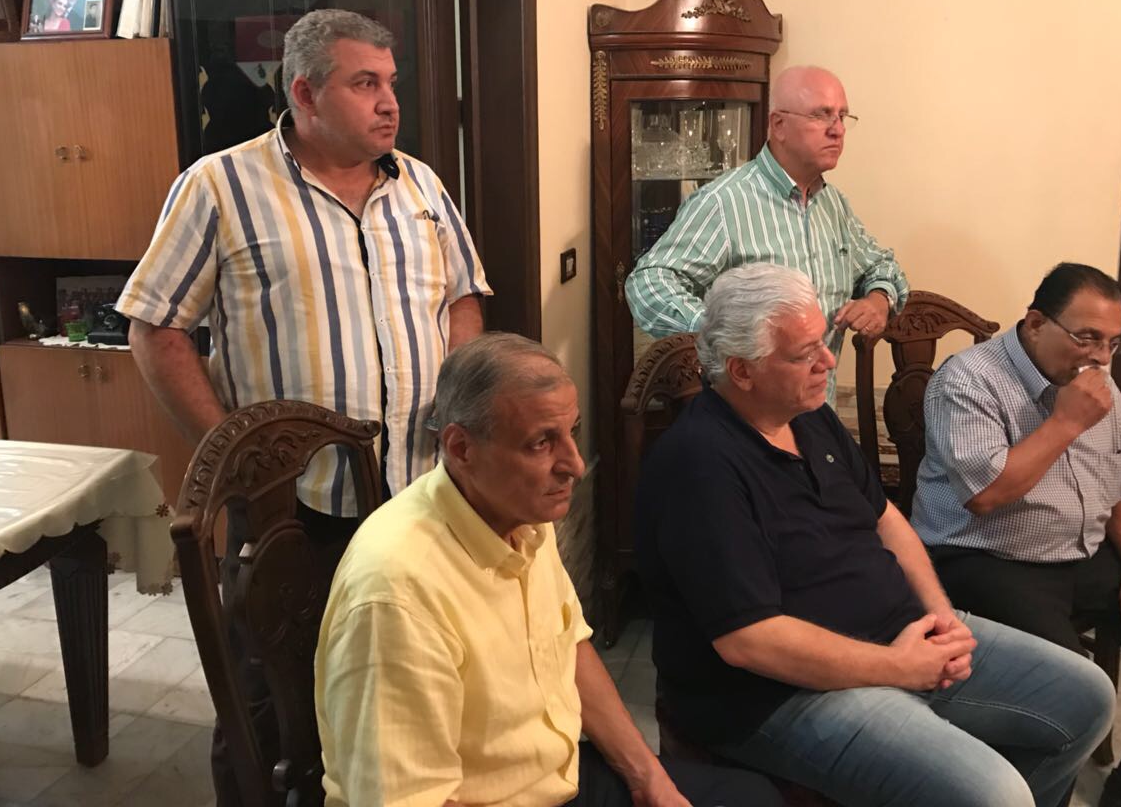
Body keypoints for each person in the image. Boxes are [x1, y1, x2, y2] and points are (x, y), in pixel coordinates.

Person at [115, 8, 489, 805]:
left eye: (392, 83)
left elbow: (463, 297)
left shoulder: (421, 184)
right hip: (291, 505)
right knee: (270, 701)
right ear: (306, 94)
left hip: (417, 491)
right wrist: (232, 454)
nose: (390, 102)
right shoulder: (220, 186)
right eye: (365, 83)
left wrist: (456, 401)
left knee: (398, 680)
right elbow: (155, 327)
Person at [635, 262, 1115, 807]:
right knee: (996, 794)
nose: (827, 362)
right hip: (782, 694)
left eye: (824, 341)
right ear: (742, 371)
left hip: (902, 634)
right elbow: (750, 641)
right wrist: (901, 669)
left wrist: (942, 619)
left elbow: (886, 518)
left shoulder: (806, 415)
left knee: (1088, 700)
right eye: (804, 354)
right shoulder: (699, 464)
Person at [317, 332, 781, 807]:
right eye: (541, 443)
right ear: (460, 448)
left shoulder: (517, 512)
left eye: (571, 432)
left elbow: (569, 645)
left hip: (554, 776)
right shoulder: (396, 593)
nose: (575, 466)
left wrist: (649, 779)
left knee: (751, 797)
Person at [912, 262, 1121, 807]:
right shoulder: (968, 379)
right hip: (985, 557)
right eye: (1087, 337)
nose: (1101, 357)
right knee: (1069, 691)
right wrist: (1066, 423)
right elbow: (986, 494)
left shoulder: (1100, 386)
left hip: (1081, 553)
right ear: (1037, 323)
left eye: (1113, 342)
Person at [625, 66, 908, 401]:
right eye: (821, 115)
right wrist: (724, 336)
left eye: (842, 116)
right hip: (748, 415)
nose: (837, 130)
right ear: (779, 125)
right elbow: (647, 283)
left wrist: (879, 298)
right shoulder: (725, 202)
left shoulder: (832, 204)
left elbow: (882, 266)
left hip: (819, 411)